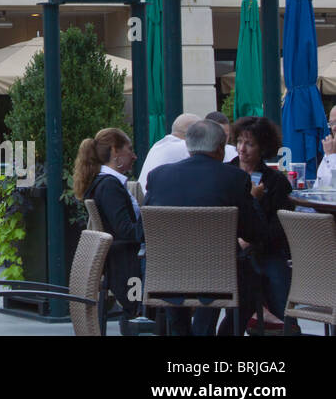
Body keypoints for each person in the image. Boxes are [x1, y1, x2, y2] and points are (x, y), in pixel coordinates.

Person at [145, 120, 266, 336]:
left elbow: (140, 231)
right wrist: (253, 199)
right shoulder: (234, 178)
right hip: (219, 275)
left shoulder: (158, 177)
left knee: (179, 271)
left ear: (189, 147)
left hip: (168, 276)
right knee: (253, 280)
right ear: (220, 148)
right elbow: (255, 232)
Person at [231, 115, 296, 334]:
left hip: (265, 249)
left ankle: (287, 326)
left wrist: (250, 240)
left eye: (249, 143)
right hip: (230, 252)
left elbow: (280, 228)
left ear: (262, 147)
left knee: (280, 295)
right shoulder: (226, 175)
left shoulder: (275, 181)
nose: (242, 149)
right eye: (239, 141)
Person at [74, 128, 143, 332]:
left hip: (120, 264)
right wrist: (154, 223)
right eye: (129, 149)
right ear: (115, 152)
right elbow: (126, 230)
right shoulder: (109, 186)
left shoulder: (103, 183)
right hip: (128, 268)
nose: (134, 156)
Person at [137, 112, 199, 193]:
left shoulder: (157, 146)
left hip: (144, 202)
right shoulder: (185, 147)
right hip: (159, 203)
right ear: (194, 134)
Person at [313, 105, 336, 188]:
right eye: (332, 123)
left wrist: (331, 156)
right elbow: (318, 186)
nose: (334, 128)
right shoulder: (331, 150)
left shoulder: (331, 153)